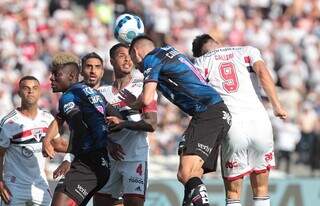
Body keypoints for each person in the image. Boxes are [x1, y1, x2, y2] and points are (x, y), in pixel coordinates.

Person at [129, 35, 231, 206]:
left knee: (185, 173)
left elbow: (146, 99)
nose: (134, 64)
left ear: (135, 52)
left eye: (132, 58)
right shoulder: (169, 51)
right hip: (221, 114)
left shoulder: (151, 58)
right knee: (194, 175)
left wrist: (129, 105)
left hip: (207, 112)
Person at [192, 34, 288, 206]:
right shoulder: (247, 51)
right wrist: (277, 105)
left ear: (199, 53)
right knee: (261, 188)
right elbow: (263, 73)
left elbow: (196, 96)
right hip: (259, 122)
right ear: (217, 43)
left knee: (233, 192)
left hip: (232, 125)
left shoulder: (200, 63)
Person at [42, 52, 121, 206]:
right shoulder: (93, 93)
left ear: (71, 76)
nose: (51, 78)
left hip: (87, 163)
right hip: (101, 164)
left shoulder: (68, 97)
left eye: (56, 75)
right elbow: (117, 119)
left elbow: (79, 128)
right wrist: (47, 139)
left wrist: (69, 158)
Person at [0, 76, 67, 205]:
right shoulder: (8, 122)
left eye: (34, 88)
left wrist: (84, 148)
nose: (30, 91)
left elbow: (59, 144)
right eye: (26, 88)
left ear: (39, 92)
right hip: (14, 186)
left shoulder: (47, 119)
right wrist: (0, 183)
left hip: (40, 185)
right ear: (19, 92)